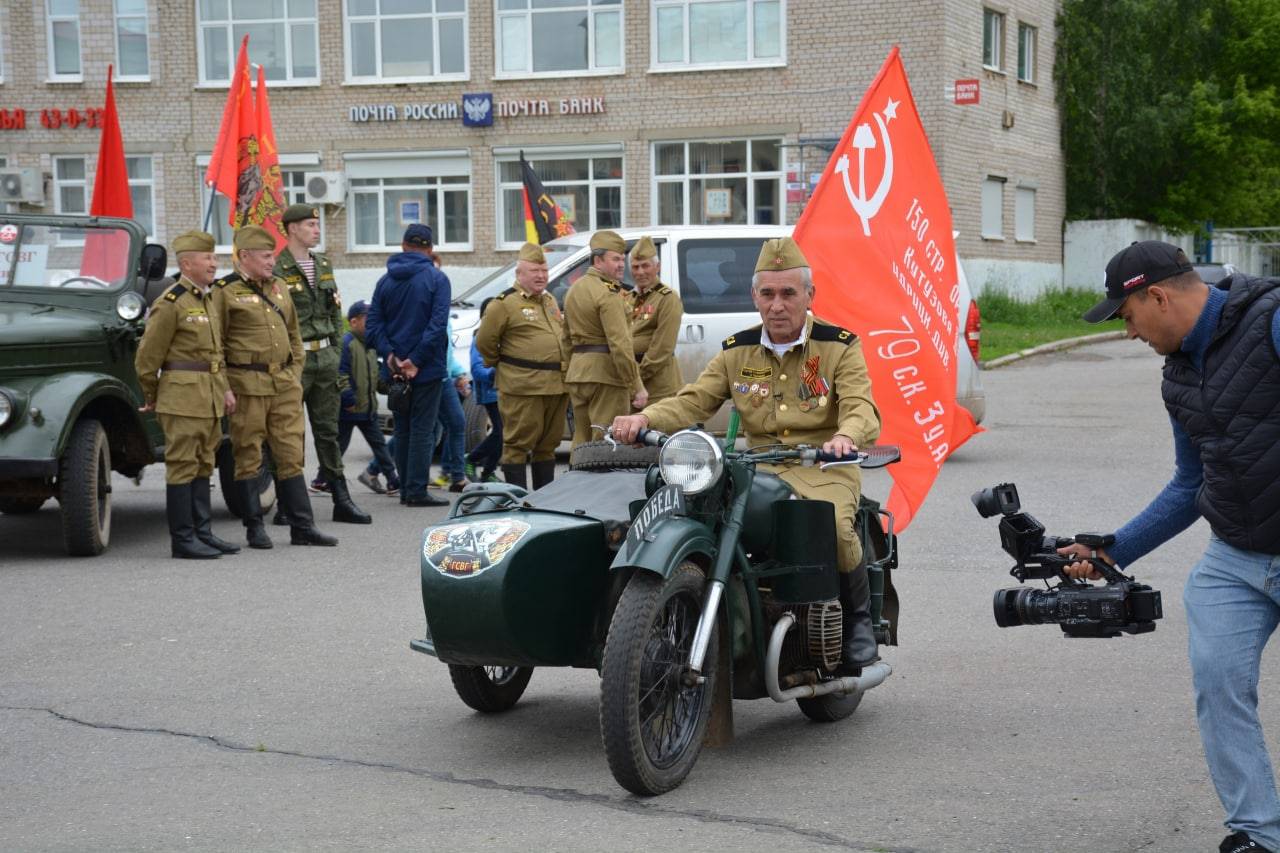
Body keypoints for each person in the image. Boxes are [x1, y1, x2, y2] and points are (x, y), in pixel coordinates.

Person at [1062, 241, 1280, 853]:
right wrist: (1114, 550)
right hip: (1237, 558)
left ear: (1156, 296)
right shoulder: (1179, 372)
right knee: (1219, 686)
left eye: (1126, 316)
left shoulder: (1272, 321)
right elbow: (1192, 483)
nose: (1128, 332)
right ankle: (1260, 836)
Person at [612, 237, 882, 671]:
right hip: (755, 468)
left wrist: (846, 437)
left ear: (809, 296)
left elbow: (860, 408)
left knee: (830, 523)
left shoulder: (838, 346)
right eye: (769, 294)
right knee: (694, 512)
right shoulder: (737, 350)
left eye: (789, 293)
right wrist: (646, 419)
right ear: (755, 296)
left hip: (821, 466)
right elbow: (694, 399)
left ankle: (857, 621)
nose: (778, 305)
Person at [210, 225, 338, 549]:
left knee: (290, 454)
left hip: (283, 384)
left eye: (272, 255)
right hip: (247, 386)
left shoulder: (280, 286)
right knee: (249, 455)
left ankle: (302, 527)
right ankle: (254, 526)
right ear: (244, 257)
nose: (272, 261)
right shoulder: (224, 292)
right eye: (266, 256)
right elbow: (215, 345)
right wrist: (224, 385)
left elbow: (294, 334)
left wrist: (295, 371)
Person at [134, 230, 240, 559]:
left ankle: (202, 533)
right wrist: (153, 394)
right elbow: (147, 358)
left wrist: (223, 389)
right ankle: (182, 539)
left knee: (203, 464)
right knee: (182, 466)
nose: (214, 263)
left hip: (208, 396)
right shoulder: (171, 303)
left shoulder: (206, 299)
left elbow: (215, 353)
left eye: (213, 257)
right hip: (180, 398)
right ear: (186, 263)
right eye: (207, 258)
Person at [273, 203, 370, 525]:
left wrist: (332, 351)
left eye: (317, 225)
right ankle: (289, 503)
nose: (317, 230)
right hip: (294, 359)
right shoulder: (277, 268)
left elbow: (334, 311)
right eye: (310, 225)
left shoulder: (323, 264)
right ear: (292, 229)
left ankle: (341, 499)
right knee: (290, 433)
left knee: (328, 430)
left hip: (325, 357)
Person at [365, 224, 451, 507]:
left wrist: (391, 357)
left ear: (403, 246)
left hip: (394, 369)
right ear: (430, 249)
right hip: (426, 367)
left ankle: (404, 488)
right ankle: (415, 491)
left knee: (402, 429)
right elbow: (437, 325)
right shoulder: (437, 279)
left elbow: (374, 324)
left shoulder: (384, 281)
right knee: (423, 430)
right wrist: (416, 360)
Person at [475, 242, 570, 490]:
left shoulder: (549, 300)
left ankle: (542, 500)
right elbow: (485, 342)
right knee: (517, 444)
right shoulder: (504, 303)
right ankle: (516, 500)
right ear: (519, 274)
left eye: (544, 270)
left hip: (555, 385)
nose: (541, 276)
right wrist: (503, 365)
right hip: (523, 386)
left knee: (547, 445)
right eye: (534, 271)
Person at [561, 230, 646, 447]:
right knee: (607, 441)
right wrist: (636, 385)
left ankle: (574, 481)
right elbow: (620, 345)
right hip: (606, 376)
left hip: (579, 375)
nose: (621, 265)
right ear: (598, 261)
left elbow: (566, 339)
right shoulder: (608, 293)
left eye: (622, 259)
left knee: (581, 439)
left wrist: (569, 371)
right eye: (615, 259)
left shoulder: (574, 290)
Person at [337, 300, 398, 496]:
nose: (372, 324)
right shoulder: (346, 344)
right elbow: (341, 374)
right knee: (339, 446)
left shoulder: (372, 346)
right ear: (353, 322)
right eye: (367, 320)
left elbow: (376, 376)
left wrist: (389, 386)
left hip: (368, 409)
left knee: (380, 445)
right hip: (350, 409)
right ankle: (322, 479)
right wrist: (348, 400)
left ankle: (392, 479)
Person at [627, 235, 684, 406]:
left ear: (657, 267)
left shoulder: (667, 298)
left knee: (657, 431)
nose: (640, 272)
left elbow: (662, 348)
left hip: (658, 387)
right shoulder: (628, 298)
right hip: (633, 384)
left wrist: (636, 380)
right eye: (635, 267)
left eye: (645, 266)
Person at [430, 319, 471, 493]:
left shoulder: (446, 320)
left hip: (444, 377)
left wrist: (459, 374)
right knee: (422, 429)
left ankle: (456, 476)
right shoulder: (429, 310)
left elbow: (448, 354)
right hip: (430, 377)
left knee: (455, 424)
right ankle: (378, 468)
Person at [464, 297, 502, 483]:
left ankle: (488, 472)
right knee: (501, 432)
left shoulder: (503, 335)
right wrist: (498, 371)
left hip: (504, 392)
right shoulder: (480, 338)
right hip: (490, 393)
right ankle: (472, 458)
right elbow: (477, 369)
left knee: (503, 434)